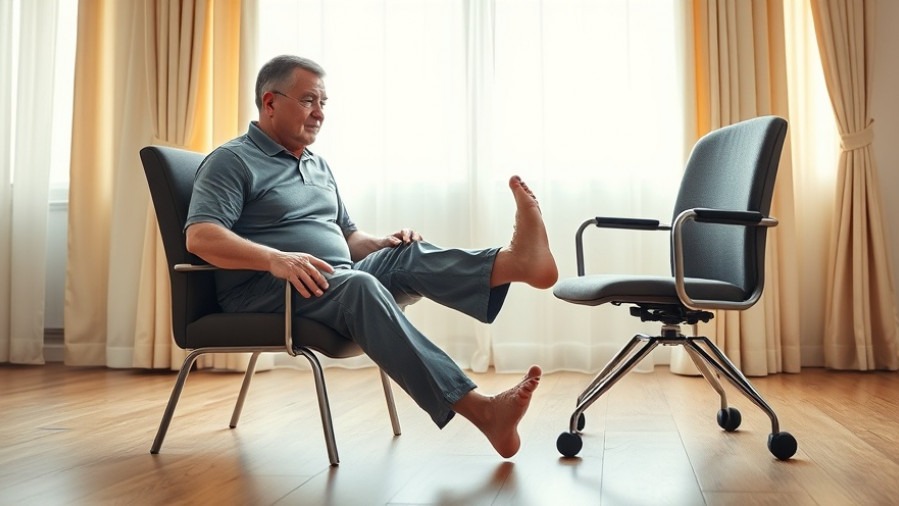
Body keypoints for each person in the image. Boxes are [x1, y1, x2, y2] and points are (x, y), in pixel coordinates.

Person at [185, 55, 558, 458]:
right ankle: (482, 411)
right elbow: (201, 237)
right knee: (358, 284)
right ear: (270, 102)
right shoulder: (232, 161)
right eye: (309, 100)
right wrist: (277, 258)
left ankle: (514, 263)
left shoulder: (317, 165)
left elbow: (348, 237)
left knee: (403, 255)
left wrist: (381, 244)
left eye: (324, 103)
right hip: (263, 291)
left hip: (330, 280)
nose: (320, 113)